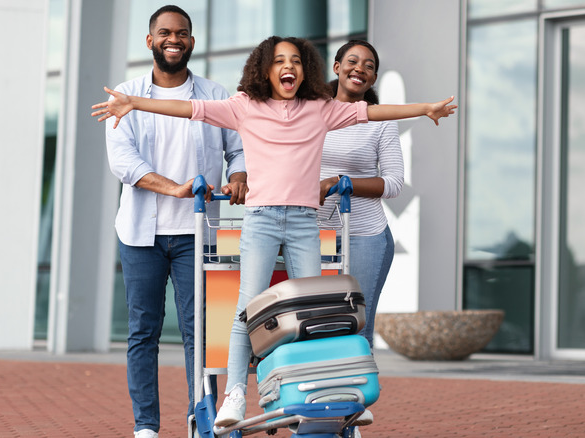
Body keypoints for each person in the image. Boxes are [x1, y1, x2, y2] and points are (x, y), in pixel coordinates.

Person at [91, 35, 457, 429]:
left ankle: (326, 389)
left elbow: (373, 114)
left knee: (317, 310)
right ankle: (234, 394)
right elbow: (188, 108)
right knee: (246, 308)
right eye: (280, 60)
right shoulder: (244, 107)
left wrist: (425, 109)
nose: (289, 66)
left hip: (304, 222)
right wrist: (134, 103)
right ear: (265, 69)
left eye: (296, 60)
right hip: (261, 220)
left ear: (306, 70)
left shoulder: (321, 109)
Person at [103, 6, 246, 438]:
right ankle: (146, 426)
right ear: (150, 41)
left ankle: (200, 420)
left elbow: (238, 149)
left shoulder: (215, 95)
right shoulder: (125, 95)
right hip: (141, 234)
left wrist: (238, 175)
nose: (173, 39)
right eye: (164, 33)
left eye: (181, 33)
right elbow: (124, 163)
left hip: (197, 233)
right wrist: (174, 188)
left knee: (200, 332)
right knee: (142, 332)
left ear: (192, 42)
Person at [319, 40, 401, 352]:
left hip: (365, 235)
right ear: (337, 67)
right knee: (316, 323)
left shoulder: (380, 120)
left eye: (369, 66)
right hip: (313, 233)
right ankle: (320, 398)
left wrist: (343, 182)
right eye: (353, 61)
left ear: (374, 79)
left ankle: (355, 400)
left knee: (356, 326)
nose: (360, 69)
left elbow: (394, 183)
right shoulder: (311, 111)